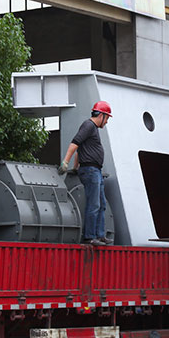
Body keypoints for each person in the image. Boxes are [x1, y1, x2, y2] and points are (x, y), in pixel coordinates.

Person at [59, 101, 112, 245]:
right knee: (94, 204)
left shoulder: (93, 128)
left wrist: (75, 166)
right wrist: (65, 162)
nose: (107, 121)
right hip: (90, 170)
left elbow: (80, 148)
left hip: (95, 170)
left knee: (101, 204)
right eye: (107, 118)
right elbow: (75, 143)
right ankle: (90, 237)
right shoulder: (88, 125)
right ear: (101, 115)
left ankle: (100, 235)